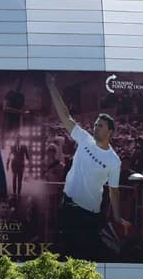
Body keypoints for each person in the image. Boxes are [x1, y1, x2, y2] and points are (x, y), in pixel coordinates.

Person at [46, 74, 131, 254]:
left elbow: (114, 191)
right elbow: (66, 117)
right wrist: (52, 87)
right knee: (64, 254)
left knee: (84, 257)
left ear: (110, 131)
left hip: (89, 215)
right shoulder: (84, 138)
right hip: (67, 206)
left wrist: (117, 218)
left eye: (100, 125)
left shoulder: (114, 160)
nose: (95, 127)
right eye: (95, 124)